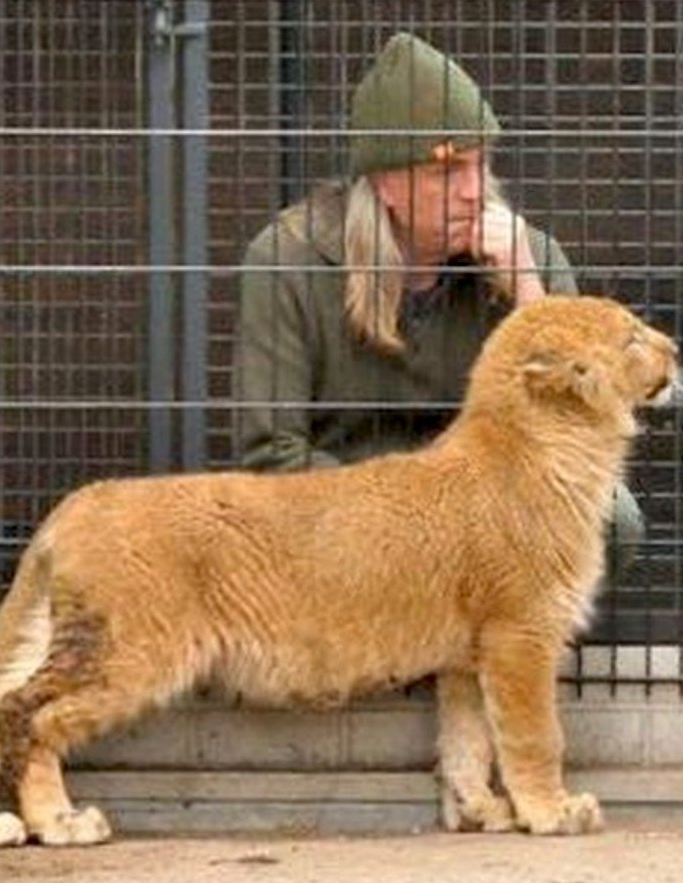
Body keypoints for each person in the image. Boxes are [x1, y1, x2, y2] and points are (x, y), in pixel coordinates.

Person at [232, 30, 644, 560]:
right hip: (348, 517)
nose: (474, 190)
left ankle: (495, 637)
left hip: (482, 508)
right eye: (447, 171)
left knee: (613, 519)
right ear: (385, 184)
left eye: (481, 164)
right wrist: (413, 515)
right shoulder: (286, 259)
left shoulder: (527, 255)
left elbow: (585, 431)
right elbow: (271, 455)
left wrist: (526, 290)